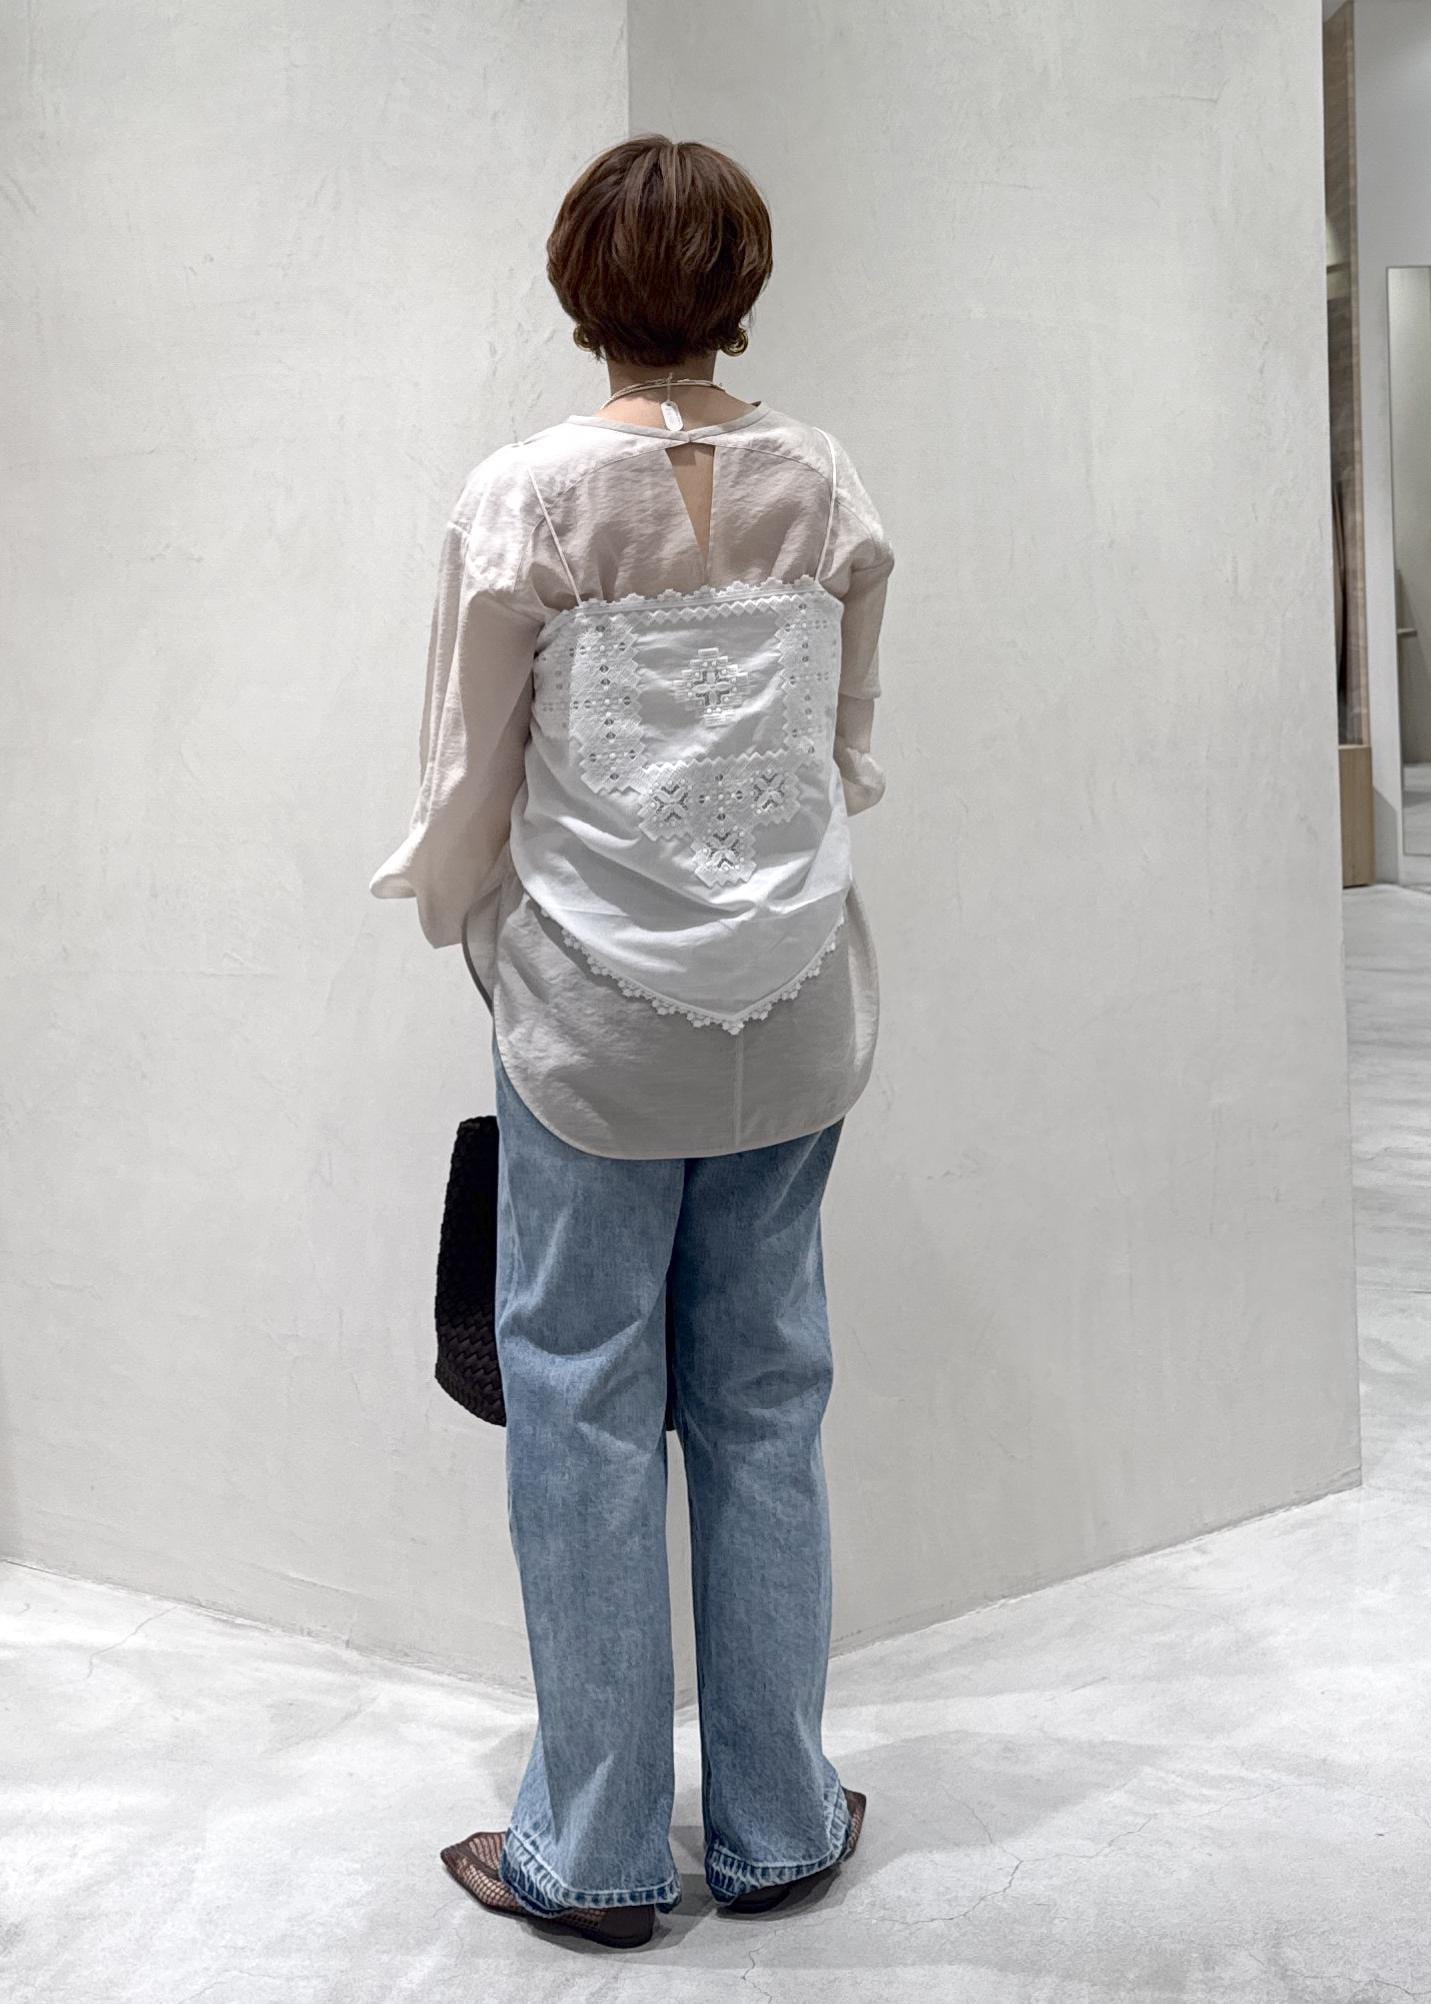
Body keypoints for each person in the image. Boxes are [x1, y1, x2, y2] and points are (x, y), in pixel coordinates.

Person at [369, 132, 893, 1950]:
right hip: (795, 1008)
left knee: (581, 1410)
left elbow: (468, 778)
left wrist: (475, 930)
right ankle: (777, 1821)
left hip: (591, 1024)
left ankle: (590, 1852)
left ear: (577, 286)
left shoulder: (526, 496)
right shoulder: (823, 483)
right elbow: (843, 748)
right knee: (766, 1398)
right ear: (744, 284)